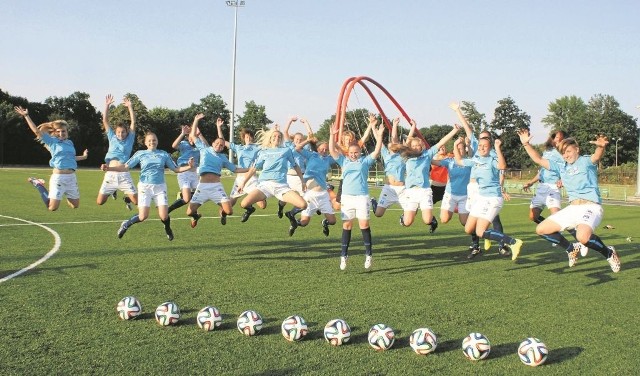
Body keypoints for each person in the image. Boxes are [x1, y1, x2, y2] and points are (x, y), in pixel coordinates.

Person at [518, 129, 620, 272]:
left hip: (591, 206)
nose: (566, 155)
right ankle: (570, 248)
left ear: (577, 149)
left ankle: (609, 253)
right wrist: (526, 144)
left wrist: (601, 147)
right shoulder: (561, 167)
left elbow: (596, 156)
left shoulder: (585, 161)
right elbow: (539, 160)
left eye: (569, 151)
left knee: (583, 237)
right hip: (572, 208)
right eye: (563, 153)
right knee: (541, 229)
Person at [103, 131, 194, 240]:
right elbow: (125, 167)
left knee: (164, 216)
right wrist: (109, 168)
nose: (152, 142)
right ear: (146, 143)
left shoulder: (163, 154)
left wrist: (188, 167)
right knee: (143, 216)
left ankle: (167, 228)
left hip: (160, 187)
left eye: (154, 140)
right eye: (149, 141)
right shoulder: (140, 153)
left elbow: (176, 169)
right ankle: (126, 224)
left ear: (157, 141)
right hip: (145, 187)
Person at [328, 114, 385, 270]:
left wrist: (379, 137)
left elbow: (377, 150)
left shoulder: (365, 161)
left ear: (360, 152)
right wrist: (332, 136)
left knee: (364, 224)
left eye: (356, 152)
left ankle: (368, 255)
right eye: (351, 152)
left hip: (362, 197)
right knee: (347, 225)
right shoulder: (344, 160)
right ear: (349, 153)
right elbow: (332, 150)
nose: (353, 154)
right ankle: (343, 256)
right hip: (347, 197)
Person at [453, 135, 523, 260]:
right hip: (481, 197)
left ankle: (513, 242)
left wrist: (497, 148)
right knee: (468, 228)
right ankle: (489, 235)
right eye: (480, 146)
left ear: (490, 147)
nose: (482, 148)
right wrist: (455, 145)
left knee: (480, 231)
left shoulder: (492, 158)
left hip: (493, 198)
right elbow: (458, 160)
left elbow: (502, 166)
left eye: (485, 146)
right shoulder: (475, 159)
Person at [15, 106, 88, 211]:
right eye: (58, 131)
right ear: (55, 132)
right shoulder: (52, 141)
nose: (61, 133)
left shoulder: (70, 143)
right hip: (58, 178)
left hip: (71, 178)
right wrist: (26, 116)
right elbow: (36, 131)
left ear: (67, 132)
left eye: (63, 131)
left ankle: (64, 193)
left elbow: (71, 158)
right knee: (52, 208)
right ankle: (38, 184)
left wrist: (84, 157)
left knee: (75, 205)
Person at [237, 127, 308, 227]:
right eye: (274, 136)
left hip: (281, 186)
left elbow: (295, 166)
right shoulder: (264, 152)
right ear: (270, 138)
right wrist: (243, 183)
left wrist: (303, 181)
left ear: (281, 139)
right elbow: (253, 169)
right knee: (244, 204)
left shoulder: (286, 150)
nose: (277, 137)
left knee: (303, 205)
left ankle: (291, 214)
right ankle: (250, 210)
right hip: (265, 186)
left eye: (279, 136)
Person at [186, 115, 247, 228]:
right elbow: (193, 135)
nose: (219, 145)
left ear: (223, 147)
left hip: (216, 187)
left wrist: (251, 168)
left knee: (229, 211)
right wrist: (195, 120)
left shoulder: (223, 158)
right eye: (217, 143)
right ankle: (195, 216)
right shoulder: (204, 149)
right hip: (202, 187)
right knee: (189, 212)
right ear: (213, 143)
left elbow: (235, 169)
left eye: (222, 145)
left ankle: (222, 214)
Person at [398, 122, 460, 232]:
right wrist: (412, 127)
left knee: (427, 220)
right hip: (410, 192)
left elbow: (441, 142)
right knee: (407, 222)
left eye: (419, 145)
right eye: (414, 146)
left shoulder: (427, 155)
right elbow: (406, 143)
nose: (417, 147)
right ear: (410, 147)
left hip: (424, 191)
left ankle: (433, 221)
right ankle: (404, 217)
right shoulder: (406, 156)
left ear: (422, 146)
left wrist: (454, 130)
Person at [287, 136, 338, 237]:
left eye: (326, 149)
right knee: (304, 222)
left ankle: (325, 223)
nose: (324, 151)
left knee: (332, 221)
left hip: (323, 195)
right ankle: (294, 224)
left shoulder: (328, 159)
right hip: (310, 194)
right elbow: (297, 148)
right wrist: (307, 140)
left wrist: (335, 144)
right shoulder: (311, 155)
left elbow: (340, 156)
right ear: (317, 149)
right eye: (322, 149)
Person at [96, 94, 137, 210]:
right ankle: (113, 189)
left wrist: (130, 107)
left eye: (123, 132)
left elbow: (133, 122)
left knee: (136, 201)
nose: (120, 134)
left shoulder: (130, 139)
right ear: (115, 132)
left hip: (124, 174)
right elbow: (105, 120)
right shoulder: (112, 137)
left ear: (126, 132)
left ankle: (127, 198)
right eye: (118, 132)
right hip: (110, 174)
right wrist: (107, 105)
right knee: (100, 202)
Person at [216, 121, 267, 212]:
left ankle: (248, 204)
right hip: (240, 178)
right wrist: (218, 127)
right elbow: (223, 141)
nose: (249, 138)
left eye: (250, 136)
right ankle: (224, 215)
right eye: (247, 137)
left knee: (262, 205)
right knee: (228, 205)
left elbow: (269, 144)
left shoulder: (257, 147)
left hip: (251, 178)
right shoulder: (239, 148)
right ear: (244, 138)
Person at [371, 117, 408, 218]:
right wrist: (373, 127)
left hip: (402, 189)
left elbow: (394, 138)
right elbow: (378, 139)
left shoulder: (403, 155)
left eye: (393, 143)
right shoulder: (386, 154)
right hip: (389, 188)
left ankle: (403, 218)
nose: (391, 144)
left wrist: (395, 125)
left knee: (411, 212)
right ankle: (374, 203)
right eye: (390, 144)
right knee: (378, 214)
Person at [279, 116, 313, 219]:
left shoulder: (305, 148)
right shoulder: (290, 145)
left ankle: (292, 213)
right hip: (290, 175)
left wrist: (306, 123)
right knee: (284, 199)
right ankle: (280, 208)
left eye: (300, 139)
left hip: (301, 176)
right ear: (293, 140)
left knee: (305, 199)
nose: (298, 141)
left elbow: (310, 136)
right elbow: (285, 132)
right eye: (297, 139)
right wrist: (289, 121)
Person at [167, 122, 200, 214]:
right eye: (190, 136)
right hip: (184, 173)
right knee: (186, 199)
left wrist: (199, 135)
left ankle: (193, 212)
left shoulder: (199, 146)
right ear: (188, 136)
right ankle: (168, 210)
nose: (192, 139)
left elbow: (207, 147)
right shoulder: (184, 144)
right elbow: (174, 145)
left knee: (202, 193)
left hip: (194, 174)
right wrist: (182, 134)